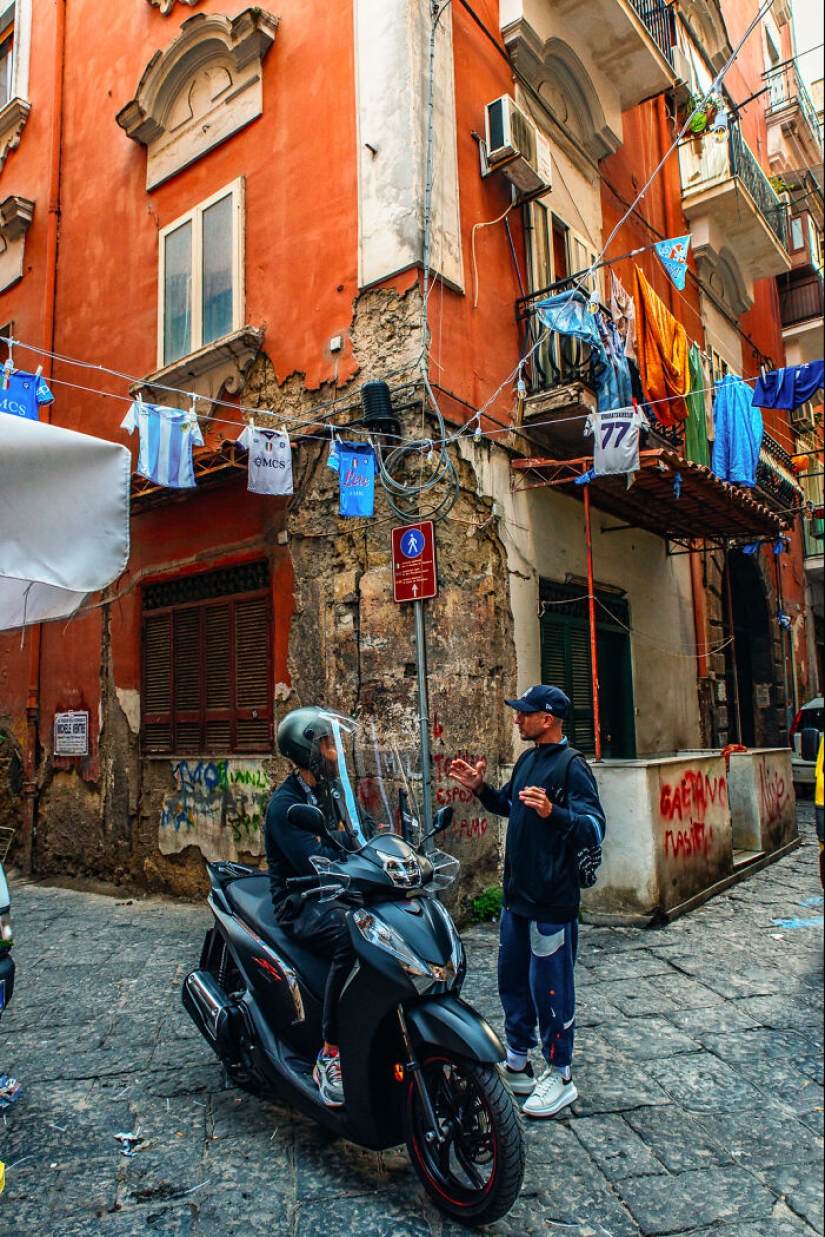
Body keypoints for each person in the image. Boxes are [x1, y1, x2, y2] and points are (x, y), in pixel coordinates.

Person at [448, 685, 606, 1118]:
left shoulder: (573, 767)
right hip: (517, 899)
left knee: (551, 989)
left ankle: (561, 1074)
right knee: (512, 981)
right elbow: (509, 805)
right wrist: (482, 789)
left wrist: (554, 814)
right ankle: (518, 1061)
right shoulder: (528, 760)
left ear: (548, 718)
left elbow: (594, 827)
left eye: (524, 714)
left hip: (552, 902)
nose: (517, 720)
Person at [264, 706, 358, 1108]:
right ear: (307, 752)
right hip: (300, 899)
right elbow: (316, 865)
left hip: (336, 890)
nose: (335, 751)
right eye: (327, 744)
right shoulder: (287, 807)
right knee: (350, 941)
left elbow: (359, 833)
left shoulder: (332, 791)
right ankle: (331, 1052)